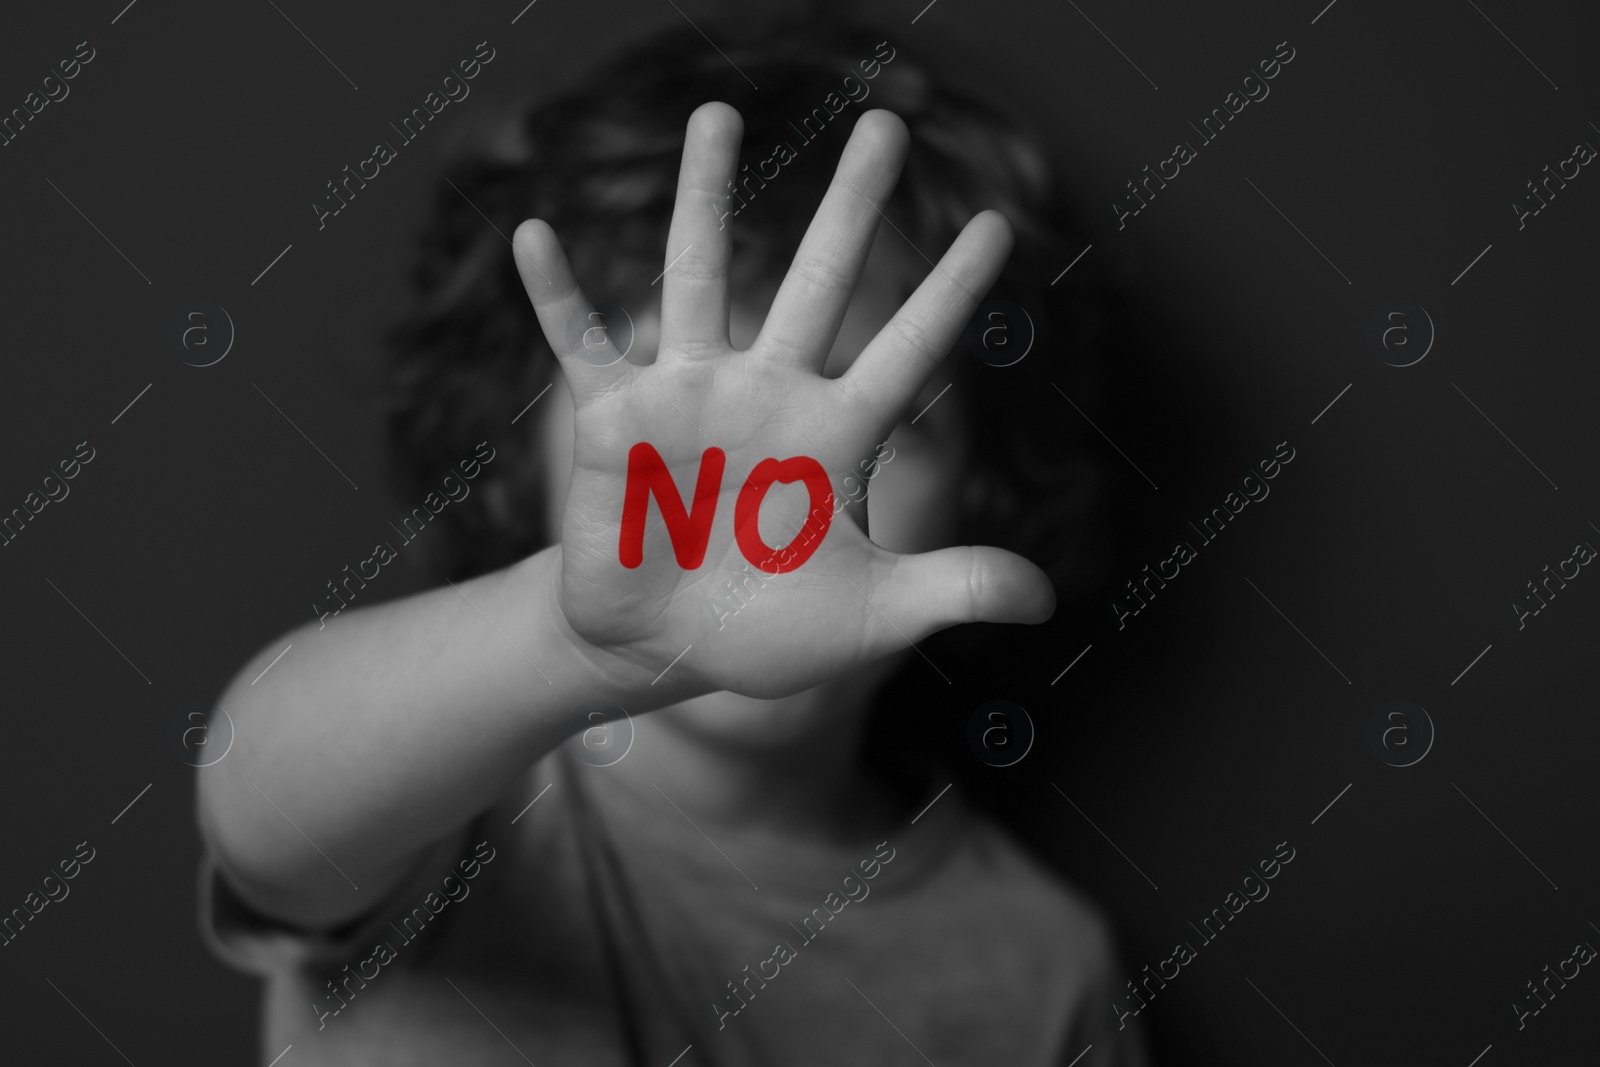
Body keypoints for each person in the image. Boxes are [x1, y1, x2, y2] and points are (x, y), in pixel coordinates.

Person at [195, 16, 1149, 1066]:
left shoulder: (1042, 965)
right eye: (666, 397)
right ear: (527, 447)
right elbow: (258, 801)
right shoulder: (442, 789)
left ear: (981, 485)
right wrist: (581, 644)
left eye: (879, 422)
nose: (756, 497)